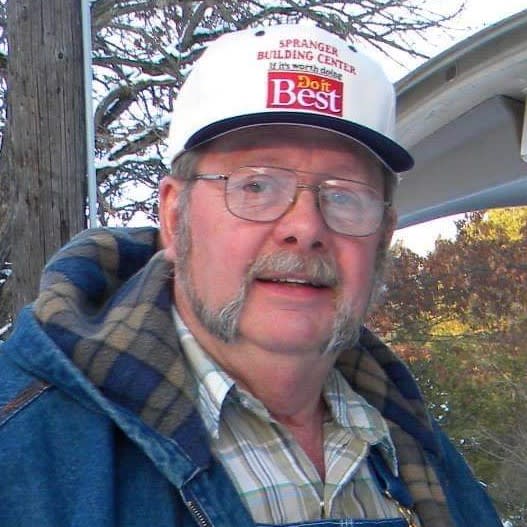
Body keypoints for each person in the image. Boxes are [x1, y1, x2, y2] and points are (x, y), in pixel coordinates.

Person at [0, 23, 500, 527]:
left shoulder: (414, 447)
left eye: (345, 195)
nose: (305, 227)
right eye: (256, 186)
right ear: (175, 217)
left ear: (384, 234)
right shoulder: (24, 450)